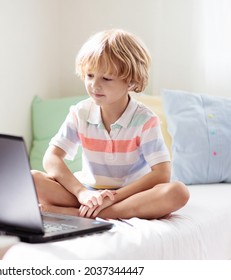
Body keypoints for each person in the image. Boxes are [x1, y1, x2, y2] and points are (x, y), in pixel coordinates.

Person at [31, 29, 189, 220]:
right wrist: (82, 193)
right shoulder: (80, 113)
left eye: (106, 78)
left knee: (178, 192)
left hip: (129, 196)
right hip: (87, 194)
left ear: (130, 81)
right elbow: (52, 157)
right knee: (31, 179)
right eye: (90, 75)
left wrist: (113, 198)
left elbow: (162, 174)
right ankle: (91, 210)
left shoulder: (145, 120)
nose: (94, 85)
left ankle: (79, 214)